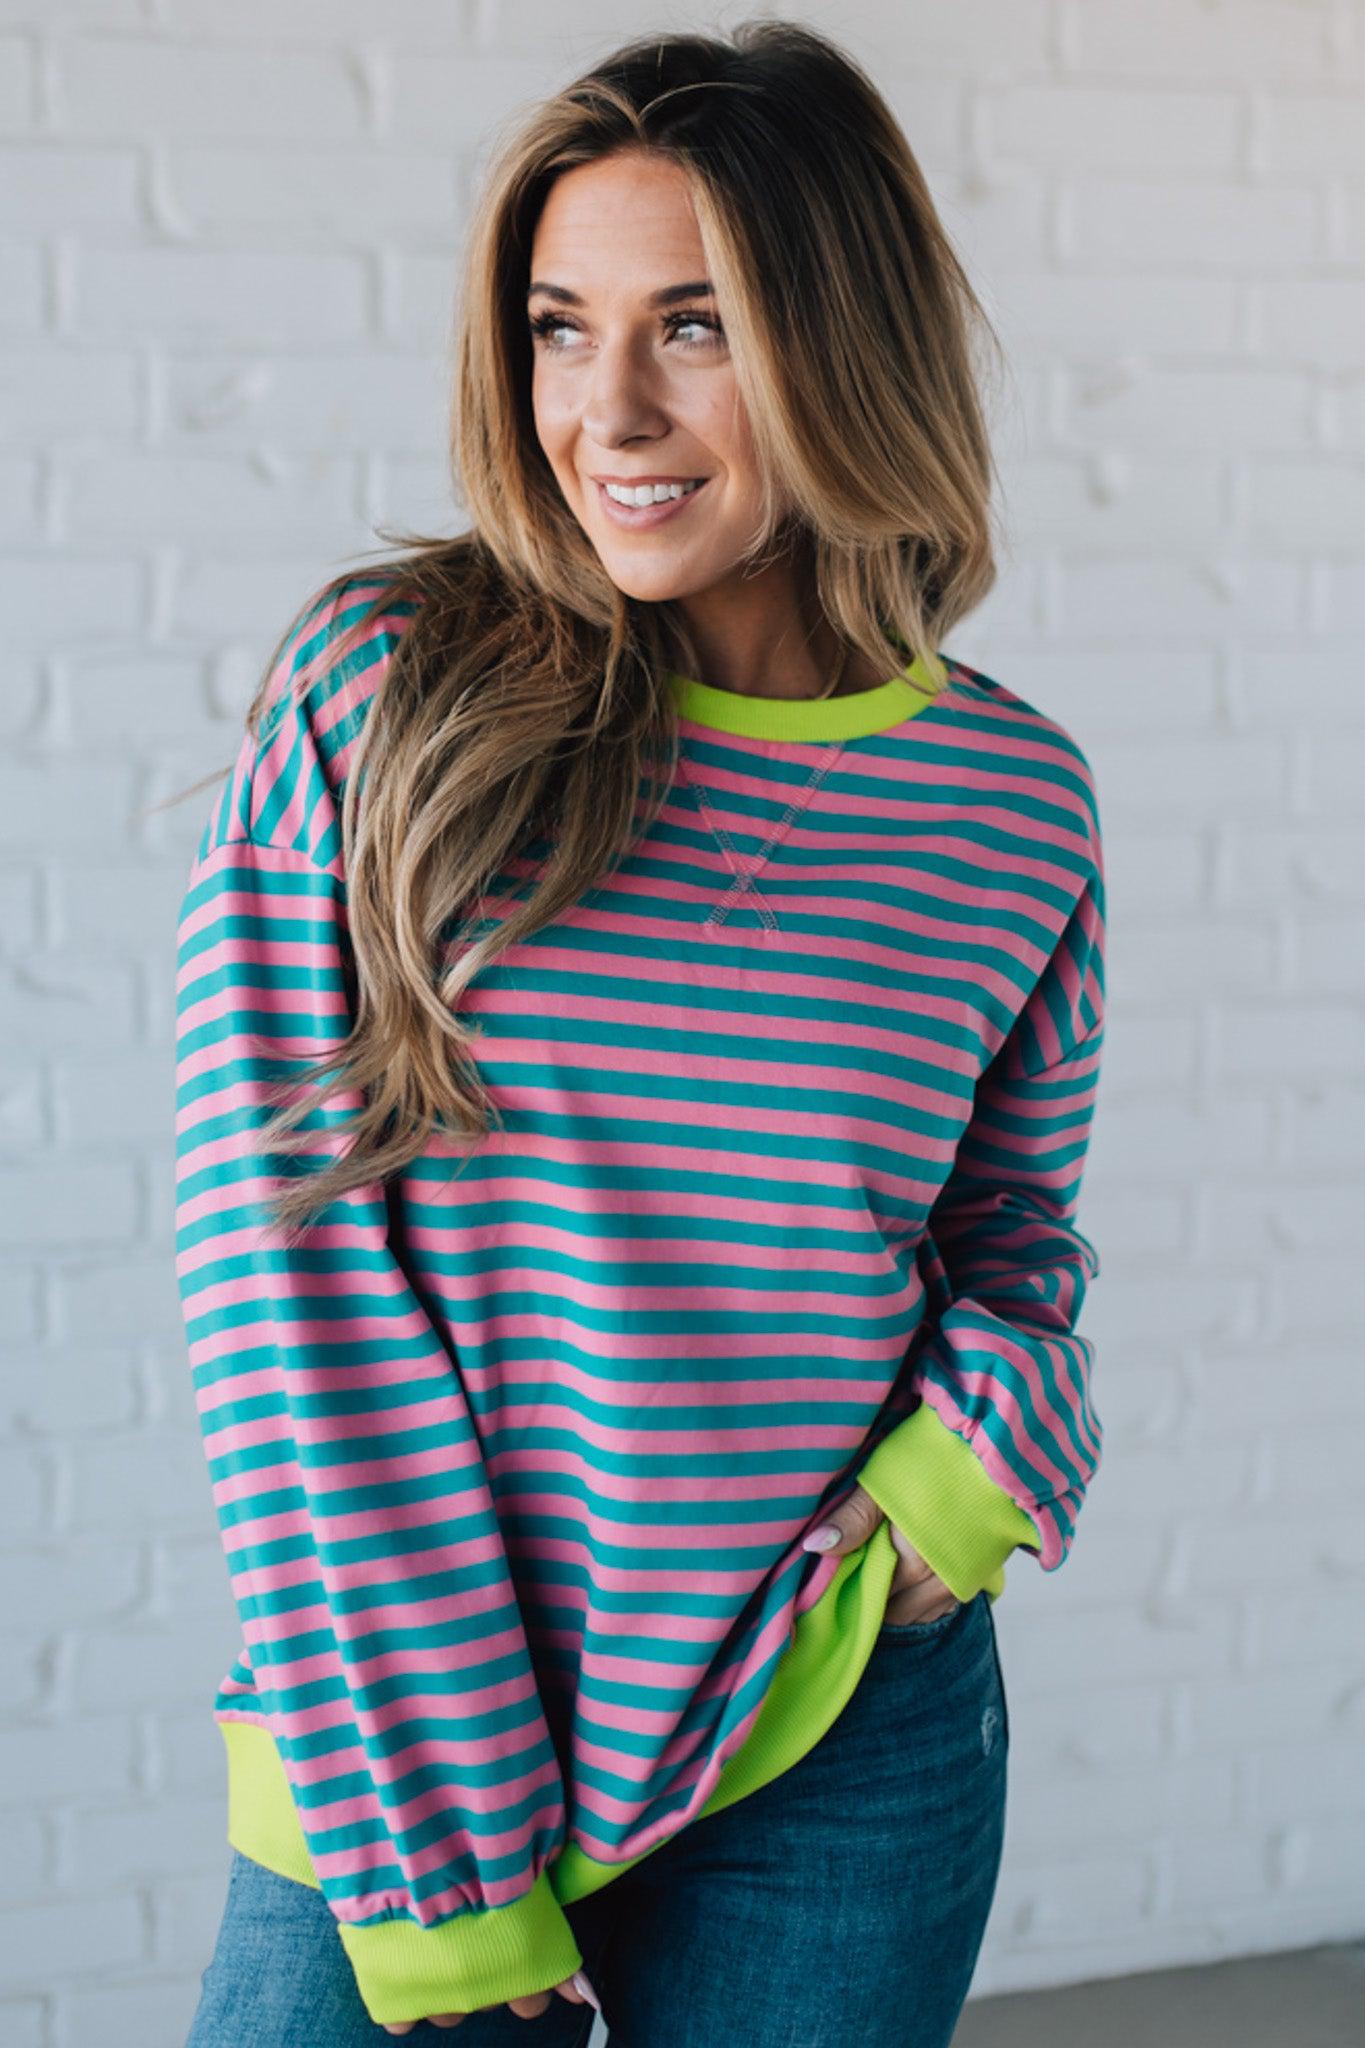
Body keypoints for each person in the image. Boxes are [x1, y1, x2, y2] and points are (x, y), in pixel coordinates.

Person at [177, 20, 1105, 2048]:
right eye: (555, 325)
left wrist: (966, 1478)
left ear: (840, 342)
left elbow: (1011, 1229)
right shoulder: (387, 696)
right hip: (389, 1776)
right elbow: (284, 1297)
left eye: (693, 326)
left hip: (835, 1735)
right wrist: (442, 1881)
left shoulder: (1011, 800)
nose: (605, 407)